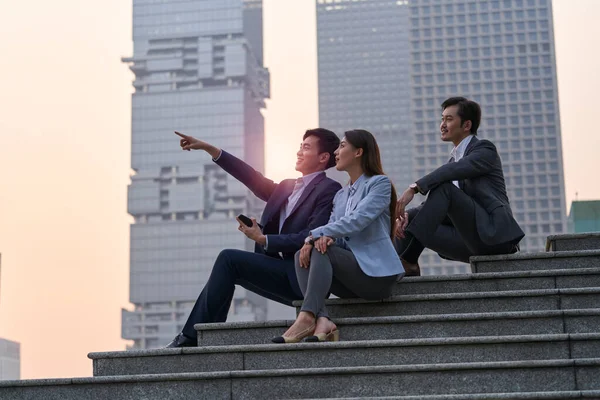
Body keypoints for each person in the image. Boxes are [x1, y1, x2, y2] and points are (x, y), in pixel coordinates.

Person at [165, 128, 341, 348]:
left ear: (323, 157)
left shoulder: (329, 189)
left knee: (228, 258)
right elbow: (250, 176)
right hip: (278, 271)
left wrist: (264, 239)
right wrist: (209, 148)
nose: (299, 151)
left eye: (306, 147)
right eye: (300, 146)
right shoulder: (286, 187)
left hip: (302, 276)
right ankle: (200, 336)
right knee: (229, 263)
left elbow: (312, 235)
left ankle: (191, 338)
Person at [272, 129, 404, 344]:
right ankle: (323, 320)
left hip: (377, 277)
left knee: (316, 246)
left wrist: (314, 236)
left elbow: (358, 221)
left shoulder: (379, 184)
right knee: (302, 255)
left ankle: (306, 317)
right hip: (350, 277)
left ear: (359, 152)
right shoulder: (341, 195)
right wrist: (323, 239)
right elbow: (336, 231)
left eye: (342, 146)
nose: (336, 151)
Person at [395, 97, 524, 275]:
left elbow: (454, 170)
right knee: (406, 221)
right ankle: (401, 271)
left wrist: (415, 187)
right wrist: (404, 215)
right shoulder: (453, 161)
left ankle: (408, 259)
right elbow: (433, 206)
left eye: (449, 119)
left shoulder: (484, 150)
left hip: (494, 236)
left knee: (444, 188)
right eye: (442, 119)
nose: (442, 124)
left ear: (466, 125)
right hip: (468, 241)